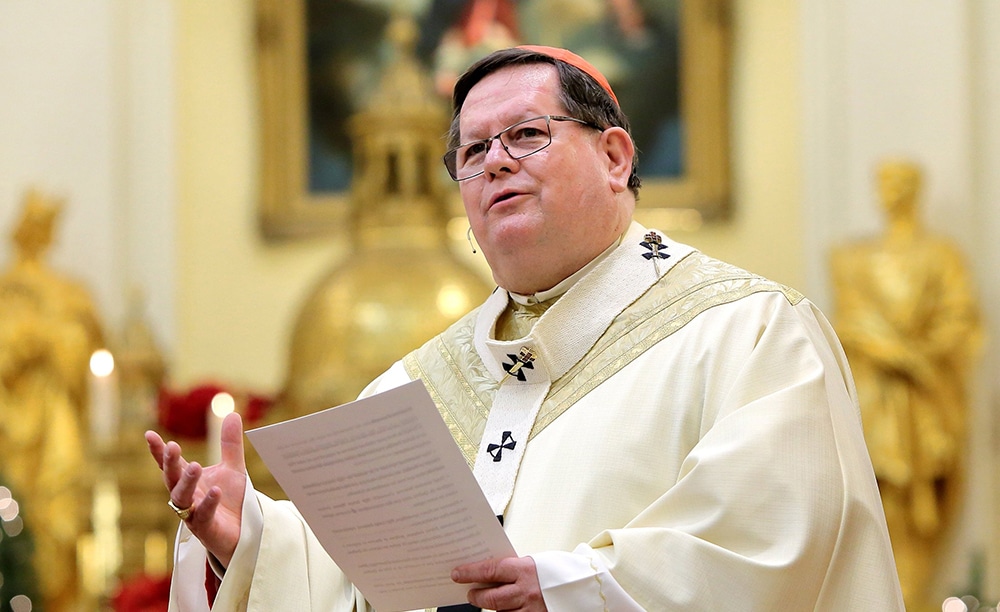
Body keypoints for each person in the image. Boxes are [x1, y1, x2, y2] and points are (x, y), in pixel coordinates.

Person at [146, 46, 904, 610]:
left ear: (614, 156)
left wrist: (571, 591)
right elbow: (355, 584)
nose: (496, 163)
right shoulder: (413, 385)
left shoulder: (749, 334)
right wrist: (247, 540)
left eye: (526, 136)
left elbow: (776, 543)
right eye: (473, 153)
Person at [831, 159, 982, 610]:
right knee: (880, 498)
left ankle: (916, 597)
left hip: (926, 400)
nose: (890, 191)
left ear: (916, 189)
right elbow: (850, 321)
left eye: (899, 182)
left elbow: (960, 320)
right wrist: (894, 353)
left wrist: (921, 358)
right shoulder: (853, 258)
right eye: (884, 182)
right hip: (877, 400)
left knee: (924, 509)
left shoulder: (941, 256)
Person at [0, 189, 105, 611]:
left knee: (60, 519)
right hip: (12, 430)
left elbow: (86, 347)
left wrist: (57, 342)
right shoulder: (6, 292)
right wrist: (26, 342)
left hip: (56, 426)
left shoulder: (69, 293)